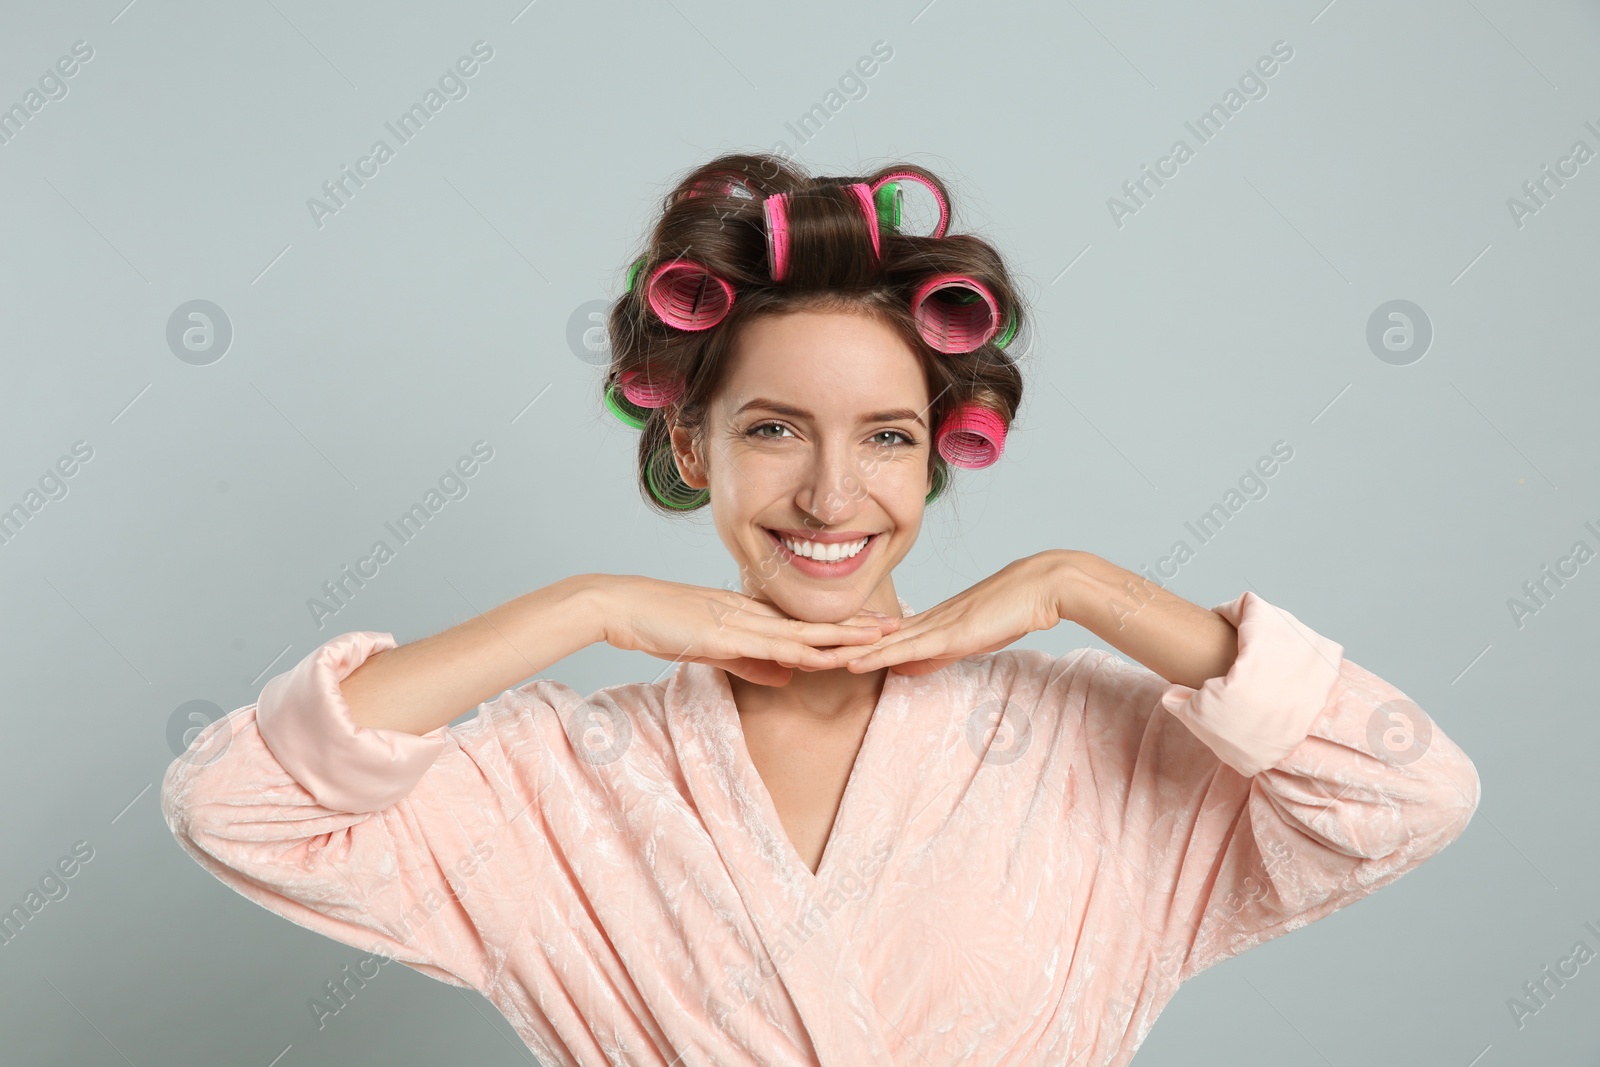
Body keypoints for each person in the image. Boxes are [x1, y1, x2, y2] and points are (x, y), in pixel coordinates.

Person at [160, 154, 1481, 1066]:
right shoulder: (560, 776)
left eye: (888, 438)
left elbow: (1406, 794)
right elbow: (237, 804)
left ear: (939, 451)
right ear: (692, 446)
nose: (832, 493)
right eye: (776, 428)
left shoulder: (1092, 740)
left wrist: (1087, 587)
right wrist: (587, 605)